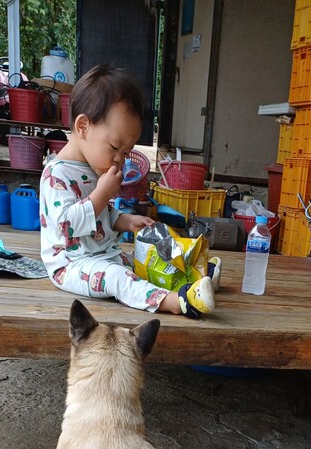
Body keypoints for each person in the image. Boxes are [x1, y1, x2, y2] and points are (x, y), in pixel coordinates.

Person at [40, 64, 220, 319]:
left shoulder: (93, 166)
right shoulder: (56, 174)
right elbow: (66, 226)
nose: (120, 159)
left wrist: (125, 220)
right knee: (117, 277)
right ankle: (175, 302)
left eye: (126, 152)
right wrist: (101, 194)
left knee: (142, 263)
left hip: (103, 255)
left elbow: (102, 215)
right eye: (115, 147)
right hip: (70, 265)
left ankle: (195, 280)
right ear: (83, 127)